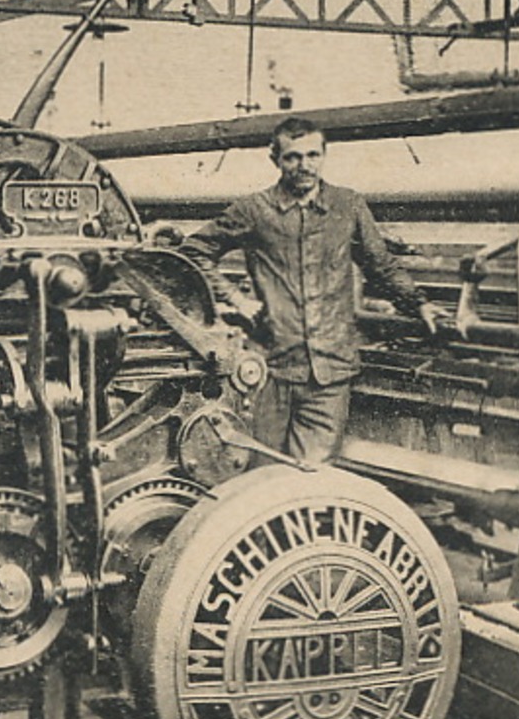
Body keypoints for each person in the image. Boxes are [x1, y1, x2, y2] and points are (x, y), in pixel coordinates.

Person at [181, 117, 444, 463]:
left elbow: (380, 265)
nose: (304, 166)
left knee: (311, 475)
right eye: (293, 157)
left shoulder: (347, 206)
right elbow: (193, 252)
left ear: (324, 155)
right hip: (269, 371)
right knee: (257, 473)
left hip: (330, 374)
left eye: (312, 155)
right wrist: (235, 298)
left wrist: (419, 304)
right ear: (275, 159)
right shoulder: (254, 211)